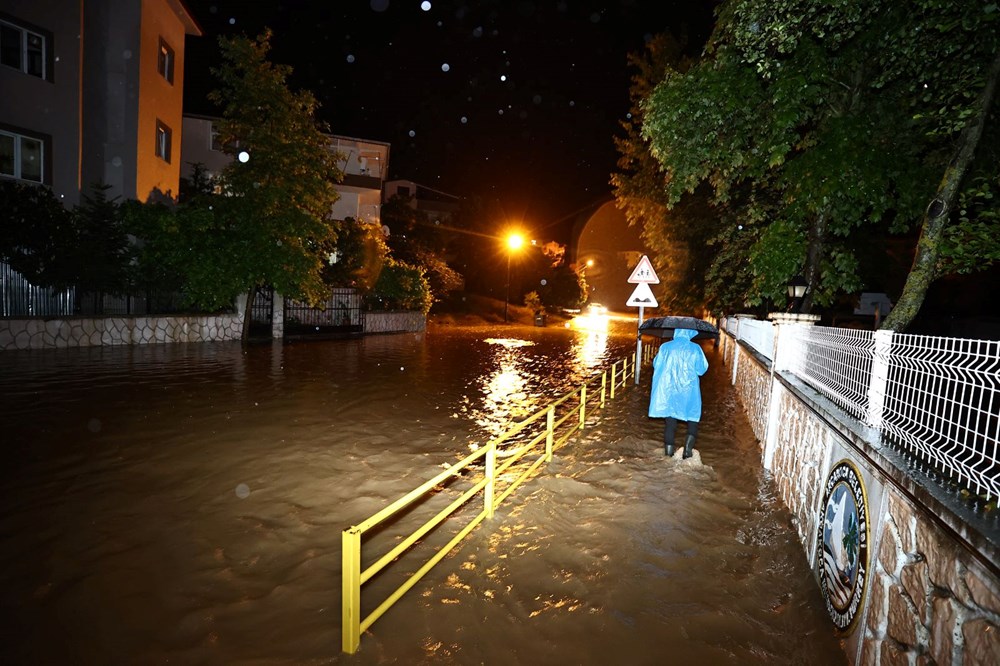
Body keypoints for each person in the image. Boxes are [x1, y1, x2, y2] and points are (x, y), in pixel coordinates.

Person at [648, 328, 709, 458]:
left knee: (670, 423)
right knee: (693, 419)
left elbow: (656, 364)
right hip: (689, 390)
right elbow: (701, 369)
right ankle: (687, 451)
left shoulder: (666, 347)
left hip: (669, 390)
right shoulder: (695, 348)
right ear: (691, 332)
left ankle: (669, 455)